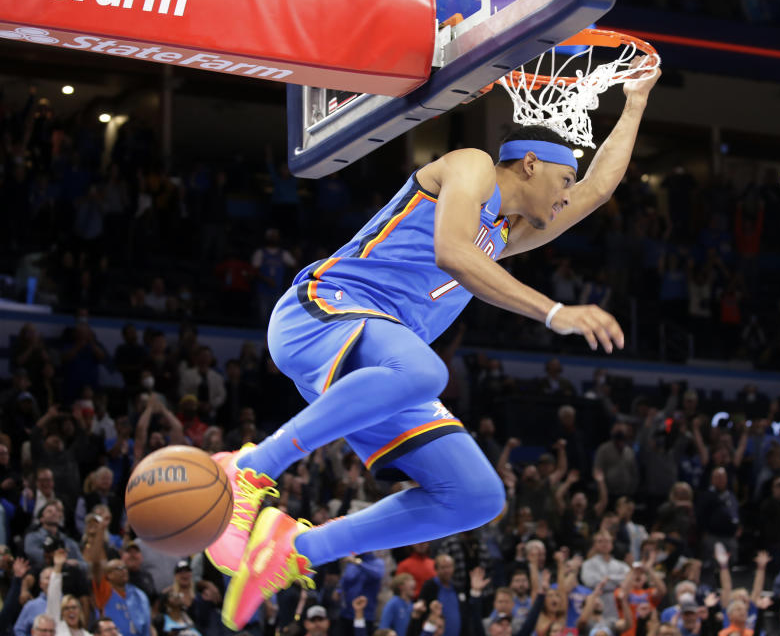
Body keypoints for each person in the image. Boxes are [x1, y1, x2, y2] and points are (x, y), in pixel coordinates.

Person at [206, 59, 661, 630]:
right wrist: (554, 312)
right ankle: (249, 470)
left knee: (475, 496)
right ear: (529, 163)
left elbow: (598, 189)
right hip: (321, 313)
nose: (569, 195)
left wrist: (637, 101)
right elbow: (451, 252)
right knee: (426, 371)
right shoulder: (471, 167)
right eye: (563, 180)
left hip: (379, 361)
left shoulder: (503, 234)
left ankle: (294, 551)